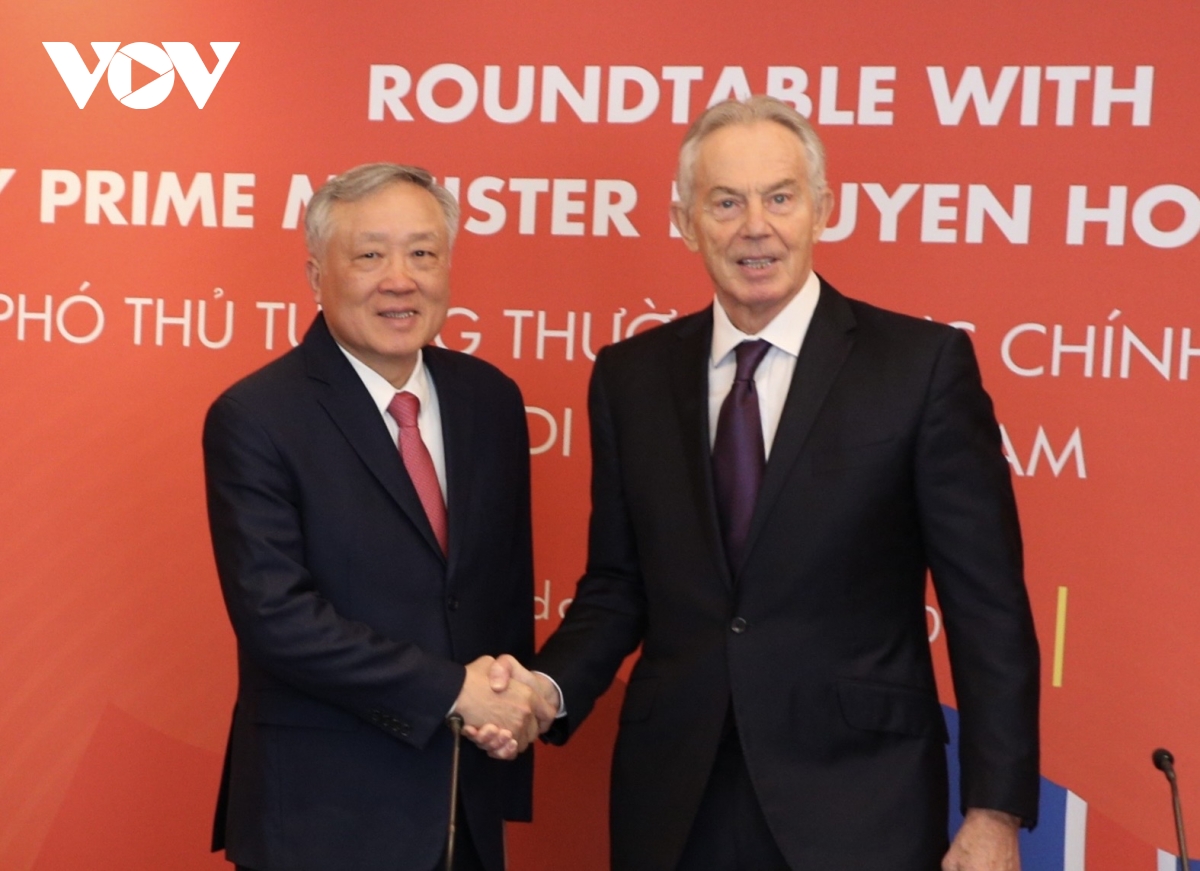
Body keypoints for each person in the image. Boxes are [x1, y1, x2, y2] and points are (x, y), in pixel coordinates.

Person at [480, 97, 1040, 870]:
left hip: (860, 799)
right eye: (726, 202)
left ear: (822, 209)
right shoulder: (630, 377)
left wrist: (994, 810)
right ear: (685, 221)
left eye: (779, 197)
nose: (755, 226)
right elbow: (617, 587)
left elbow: (988, 608)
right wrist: (546, 689)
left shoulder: (920, 367)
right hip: (676, 801)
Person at [203, 162, 552, 871]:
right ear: (316, 275)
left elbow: (501, 593)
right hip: (322, 820)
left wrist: (510, 714)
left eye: (423, 253)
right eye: (370, 256)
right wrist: (453, 692)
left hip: (462, 805)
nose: (401, 279)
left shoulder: (490, 400)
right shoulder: (258, 415)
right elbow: (278, 618)